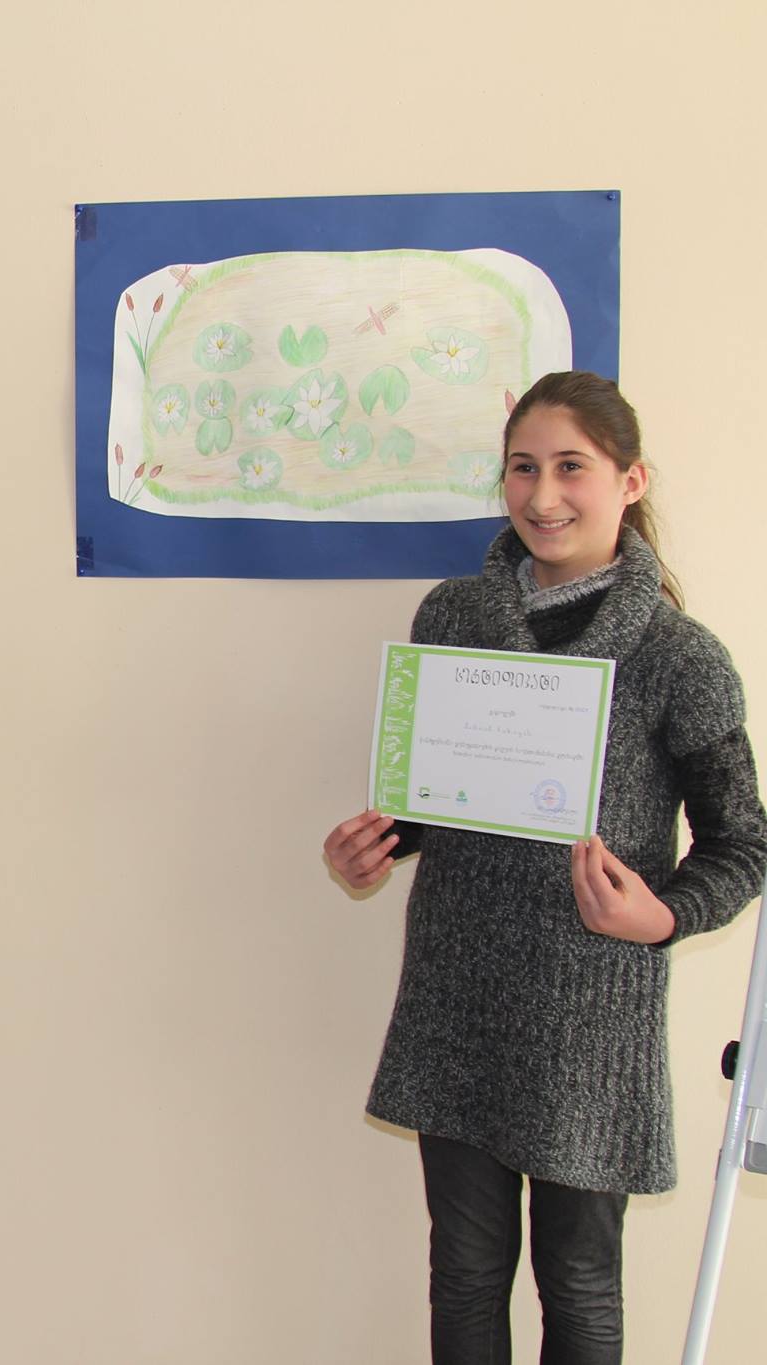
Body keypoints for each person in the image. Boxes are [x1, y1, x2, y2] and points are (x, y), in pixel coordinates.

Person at [322, 372, 767, 1363]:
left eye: (571, 467)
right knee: (463, 1273)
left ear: (629, 480)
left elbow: (744, 842)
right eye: (521, 468)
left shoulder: (680, 658)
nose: (542, 494)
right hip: (457, 1001)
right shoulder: (451, 616)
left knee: (578, 1281)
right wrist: (379, 841)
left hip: (587, 1019)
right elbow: (441, 799)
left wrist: (662, 916)